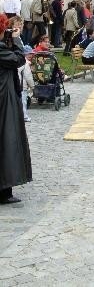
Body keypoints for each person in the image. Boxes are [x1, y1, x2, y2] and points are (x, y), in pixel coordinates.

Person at [0, 14, 32, 204]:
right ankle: (5, 190)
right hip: (5, 99)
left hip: (6, 95)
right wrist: (17, 39)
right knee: (8, 140)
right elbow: (19, 59)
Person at [18, 45, 35, 122]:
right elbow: (28, 77)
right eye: (29, 54)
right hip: (22, 86)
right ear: (24, 54)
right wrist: (32, 86)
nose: (31, 55)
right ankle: (24, 117)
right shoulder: (26, 64)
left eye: (31, 53)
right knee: (23, 102)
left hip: (16, 85)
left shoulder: (18, 61)